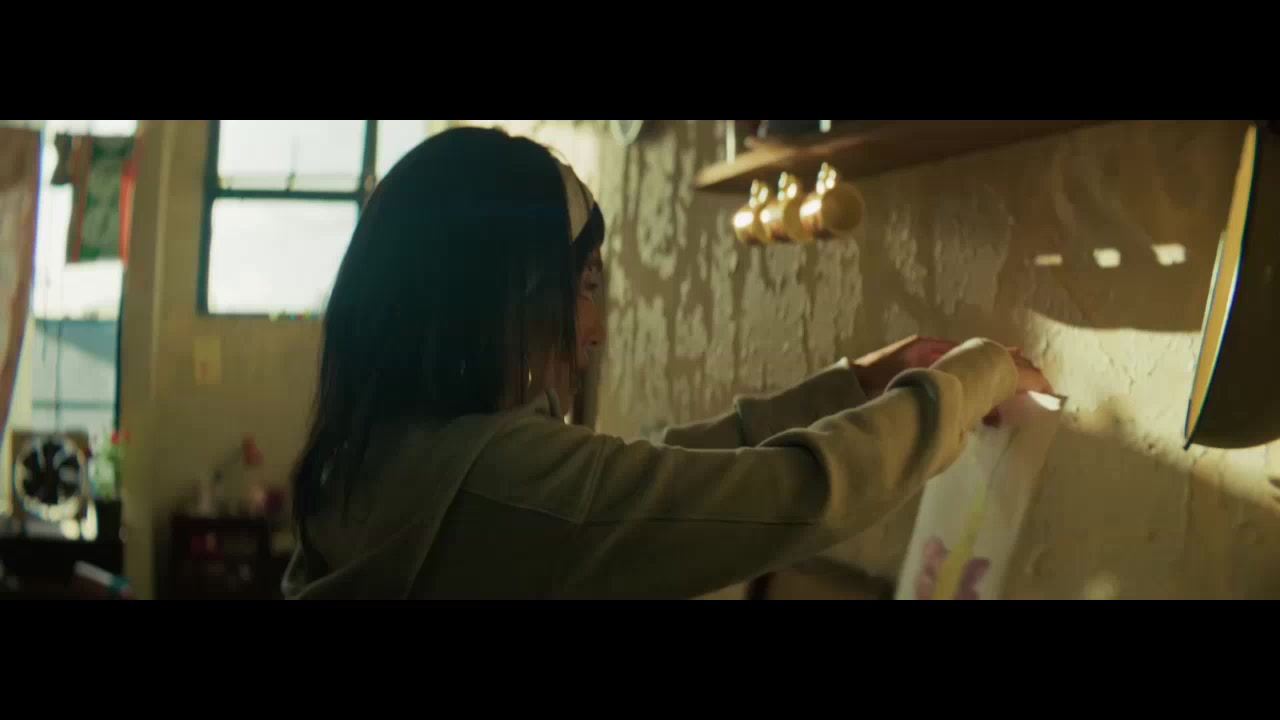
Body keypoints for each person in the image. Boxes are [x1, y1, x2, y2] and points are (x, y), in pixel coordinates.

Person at [281, 126, 1053, 600]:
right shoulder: (498, 483)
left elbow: (644, 477)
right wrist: (978, 373)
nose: (594, 331)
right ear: (504, 297)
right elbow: (802, 494)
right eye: (586, 286)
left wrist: (851, 384)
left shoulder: (381, 455)